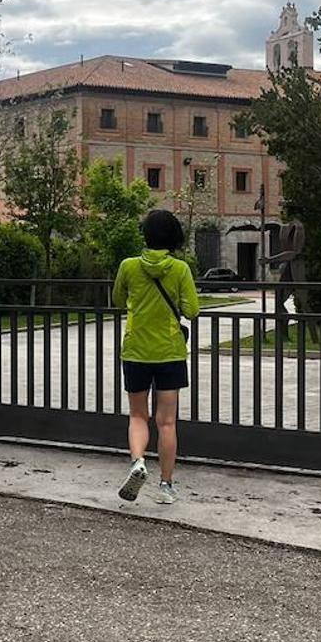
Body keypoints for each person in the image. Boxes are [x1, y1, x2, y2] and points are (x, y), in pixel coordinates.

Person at [112, 210, 200, 504]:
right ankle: (166, 486)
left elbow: (116, 299)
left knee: (138, 415)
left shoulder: (128, 266)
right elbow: (192, 310)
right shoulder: (180, 269)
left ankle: (137, 463)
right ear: (174, 236)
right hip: (170, 352)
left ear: (145, 235)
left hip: (136, 350)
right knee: (166, 422)